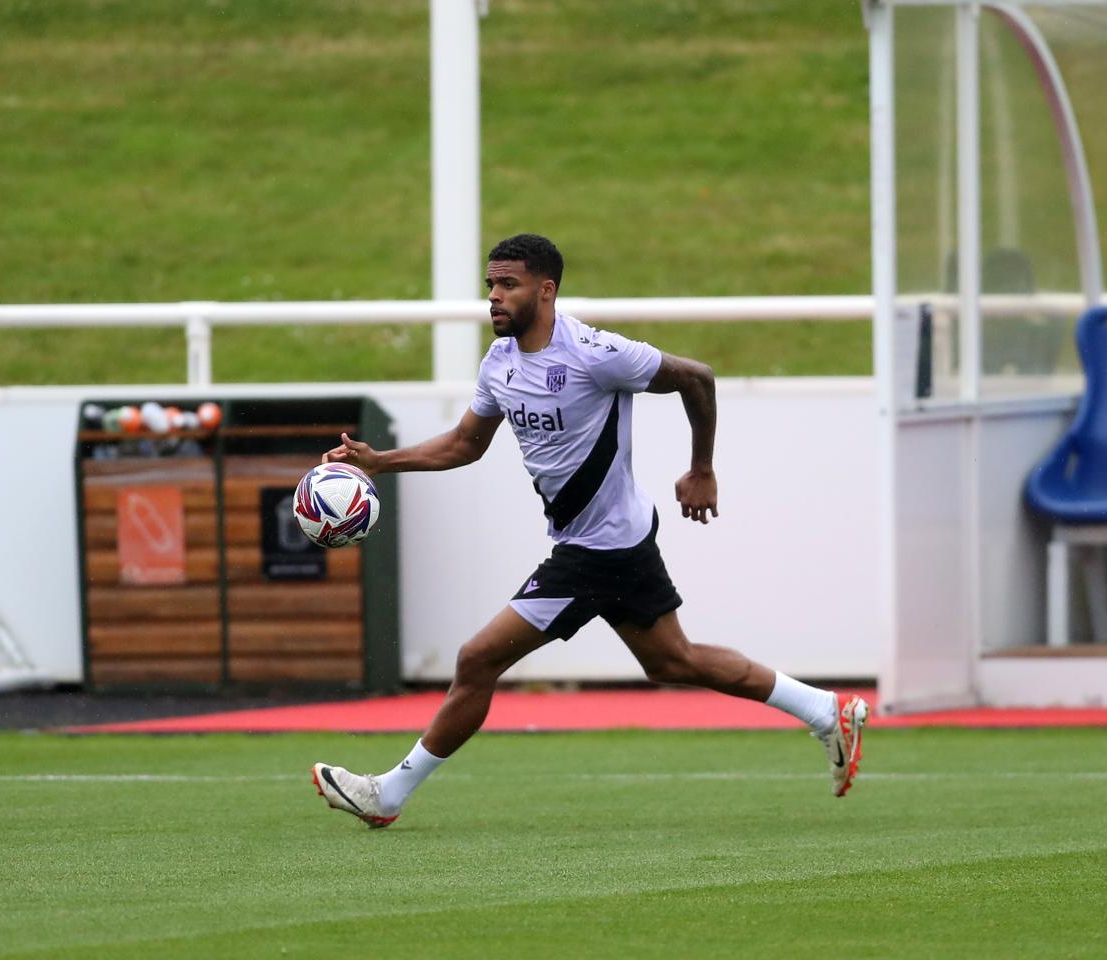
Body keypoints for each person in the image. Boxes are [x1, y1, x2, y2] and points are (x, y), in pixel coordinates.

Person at [311, 233, 867, 828]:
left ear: (546, 290)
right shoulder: (499, 363)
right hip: (612, 539)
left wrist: (702, 468)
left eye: (508, 285)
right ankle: (824, 710)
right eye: (490, 286)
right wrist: (378, 462)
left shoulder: (594, 353)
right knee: (673, 661)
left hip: (598, 551)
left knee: (477, 659)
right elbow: (464, 445)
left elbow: (696, 377)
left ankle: (387, 795)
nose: (494, 298)